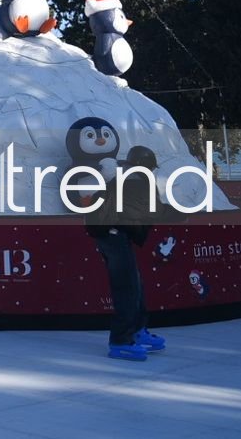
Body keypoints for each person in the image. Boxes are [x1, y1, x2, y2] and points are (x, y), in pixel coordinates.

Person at [84, 144, 166, 361]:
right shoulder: (134, 181)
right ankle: (120, 341)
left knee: (134, 284)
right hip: (114, 237)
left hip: (113, 236)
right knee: (127, 288)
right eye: (150, 167)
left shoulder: (127, 177)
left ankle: (137, 331)